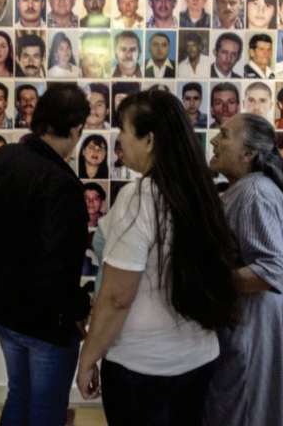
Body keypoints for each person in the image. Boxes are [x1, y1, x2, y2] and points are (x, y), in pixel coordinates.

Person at [76, 90, 240, 425]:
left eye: (123, 130)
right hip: (199, 358)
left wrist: (88, 357)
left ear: (149, 140)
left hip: (143, 370)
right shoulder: (201, 192)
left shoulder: (138, 198)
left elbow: (117, 298)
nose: (119, 140)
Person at [0, 84, 90, 424]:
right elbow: (56, 264)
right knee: (45, 409)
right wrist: (77, 309)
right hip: (45, 321)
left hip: (1, 310)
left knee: (19, 394)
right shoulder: (61, 181)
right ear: (76, 130)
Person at [205, 113, 283, 426]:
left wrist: (204, 281)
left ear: (248, 153)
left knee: (247, 414)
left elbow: (269, 271)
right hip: (252, 323)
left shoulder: (254, 192)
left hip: (254, 326)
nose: (213, 140)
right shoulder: (245, 189)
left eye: (223, 134)